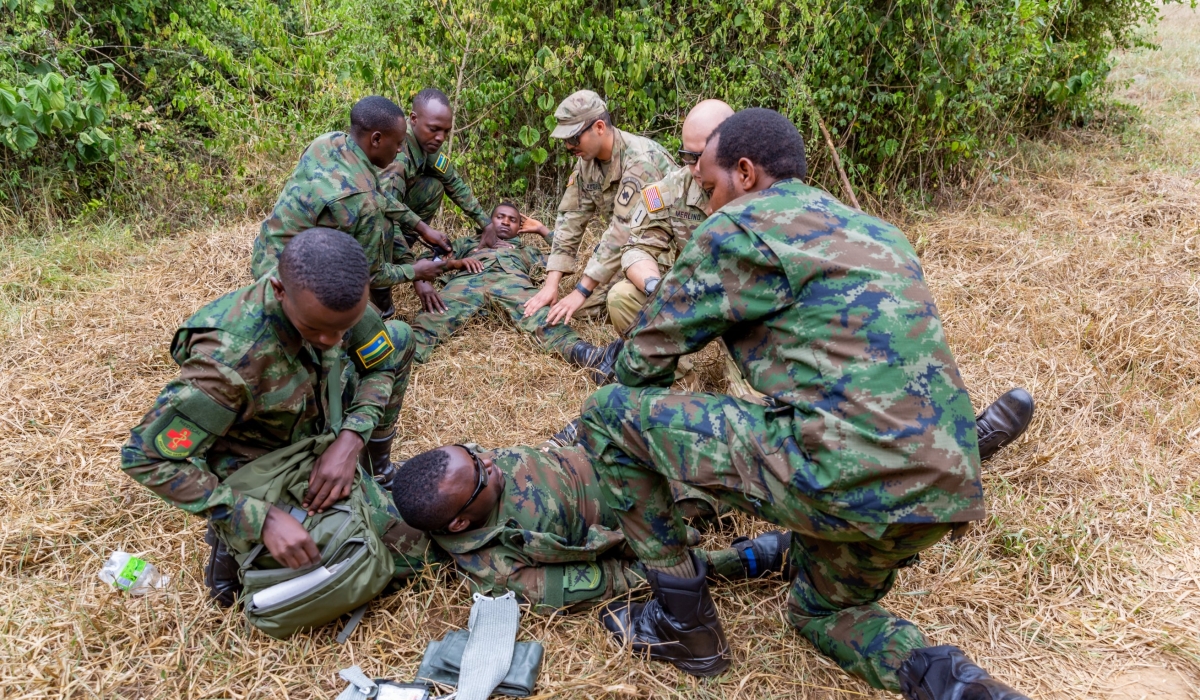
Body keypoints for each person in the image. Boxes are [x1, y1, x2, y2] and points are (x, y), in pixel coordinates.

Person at [576, 109, 1031, 699]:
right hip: (943, 493)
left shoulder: (736, 227)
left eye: (709, 186)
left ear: (744, 173)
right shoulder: (877, 231)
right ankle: (960, 687)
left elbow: (641, 364)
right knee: (823, 612)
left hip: (839, 473)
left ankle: (684, 627)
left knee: (607, 414)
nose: (707, 202)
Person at [122, 228, 434, 607]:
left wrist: (351, 439)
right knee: (399, 559)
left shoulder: (339, 301)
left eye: (344, 329)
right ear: (280, 290)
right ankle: (231, 551)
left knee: (398, 337)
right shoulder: (228, 363)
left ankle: (374, 472)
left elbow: (381, 364)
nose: (334, 341)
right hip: (258, 459)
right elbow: (145, 458)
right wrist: (260, 519)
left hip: (317, 422)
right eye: (316, 330)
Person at [390, 443, 791, 609]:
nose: (489, 462)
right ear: (459, 522)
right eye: (479, 473)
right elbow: (617, 579)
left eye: (474, 454)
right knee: (754, 486)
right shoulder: (502, 571)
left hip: (619, 454)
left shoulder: (466, 478)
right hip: (641, 509)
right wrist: (737, 560)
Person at [250, 95, 450, 319]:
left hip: (265, 254)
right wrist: (415, 271)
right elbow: (374, 276)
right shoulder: (364, 204)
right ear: (376, 139)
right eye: (398, 143)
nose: (400, 150)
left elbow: (377, 193)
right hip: (290, 288)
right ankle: (380, 314)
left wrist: (422, 227)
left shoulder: (329, 141)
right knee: (394, 334)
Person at [408, 202, 622, 379]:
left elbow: (563, 256)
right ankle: (399, 362)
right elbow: (429, 261)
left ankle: (590, 358)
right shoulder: (468, 243)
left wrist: (541, 229)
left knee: (544, 316)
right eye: (500, 217)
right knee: (432, 317)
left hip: (513, 285)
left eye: (512, 220)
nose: (505, 222)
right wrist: (424, 284)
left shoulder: (526, 250)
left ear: (520, 227)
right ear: (489, 220)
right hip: (465, 284)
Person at [520, 90, 675, 325]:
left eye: (574, 138)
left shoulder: (641, 161)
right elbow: (570, 219)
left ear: (599, 127)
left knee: (611, 301)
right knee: (579, 311)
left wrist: (581, 291)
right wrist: (551, 284)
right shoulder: (586, 162)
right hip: (627, 248)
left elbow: (622, 230)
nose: (568, 146)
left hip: (661, 251)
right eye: (565, 140)